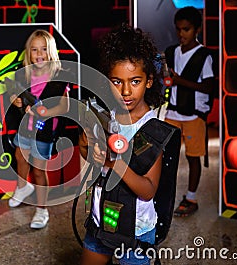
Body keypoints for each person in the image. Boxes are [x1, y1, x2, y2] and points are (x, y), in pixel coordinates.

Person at [79, 23, 180, 265]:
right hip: (101, 221)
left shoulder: (152, 130)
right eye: (116, 82)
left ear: (148, 81)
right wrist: (84, 142)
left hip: (136, 231)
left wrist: (115, 164)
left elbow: (147, 190)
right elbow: (88, 156)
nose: (125, 91)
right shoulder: (107, 117)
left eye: (135, 81)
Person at [7, 29, 70, 229]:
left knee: (39, 171)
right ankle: (23, 186)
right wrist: (15, 101)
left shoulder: (58, 77)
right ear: (29, 53)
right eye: (34, 50)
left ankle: (42, 210)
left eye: (43, 49)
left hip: (43, 131)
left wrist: (44, 112)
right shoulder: (24, 73)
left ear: (51, 52)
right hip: (25, 127)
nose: (39, 54)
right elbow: (14, 96)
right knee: (19, 155)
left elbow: (64, 107)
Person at [164, 6, 216, 217]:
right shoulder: (170, 52)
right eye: (178, 29)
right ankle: (163, 195)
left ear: (197, 29)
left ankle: (191, 198)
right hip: (172, 114)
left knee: (193, 157)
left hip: (194, 115)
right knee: (167, 157)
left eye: (186, 29)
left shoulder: (204, 56)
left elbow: (209, 87)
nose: (181, 34)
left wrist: (179, 81)